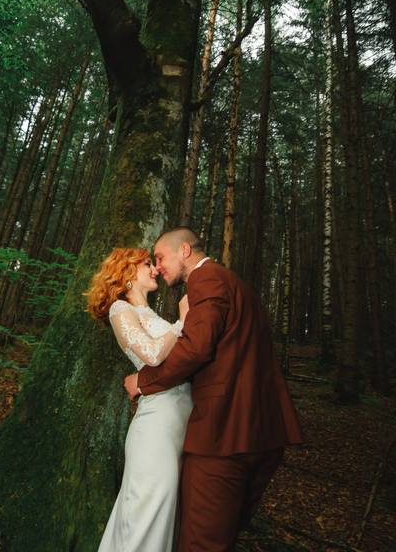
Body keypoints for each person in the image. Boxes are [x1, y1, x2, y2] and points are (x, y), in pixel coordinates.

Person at [123, 227, 303, 551]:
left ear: (185, 252)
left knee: (200, 541)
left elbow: (196, 349)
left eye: (161, 257)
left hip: (222, 435)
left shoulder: (205, 279)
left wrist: (144, 382)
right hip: (260, 433)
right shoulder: (237, 286)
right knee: (222, 534)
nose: (157, 266)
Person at [86, 247, 193, 552]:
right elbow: (152, 354)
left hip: (177, 423)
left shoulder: (151, 314)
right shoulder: (120, 311)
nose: (155, 269)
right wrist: (183, 321)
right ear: (127, 273)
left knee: (160, 514)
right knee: (147, 512)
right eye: (147, 264)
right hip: (156, 427)